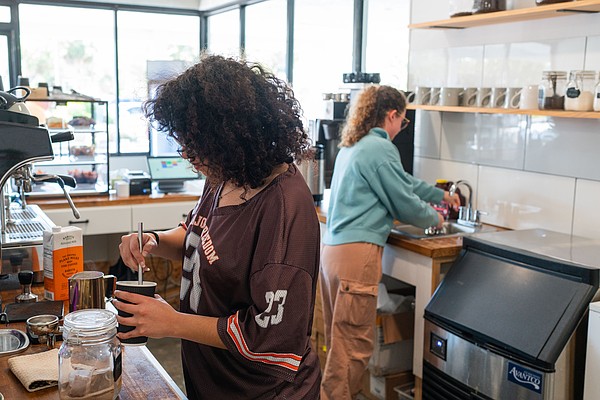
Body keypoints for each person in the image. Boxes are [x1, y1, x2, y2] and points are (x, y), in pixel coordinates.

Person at [113, 54, 321, 399]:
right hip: (213, 381)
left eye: (195, 145)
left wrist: (172, 322)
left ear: (231, 135)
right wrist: (153, 239)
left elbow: (269, 337)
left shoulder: (284, 210)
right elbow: (197, 238)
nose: (187, 155)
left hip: (262, 391)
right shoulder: (226, 174)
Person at [319, 85, 460, 399]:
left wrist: (440, 196)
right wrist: (435, 218)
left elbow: (404, 182)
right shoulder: (380, 148)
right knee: (354, 349)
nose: (401, 127)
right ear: (392, 115)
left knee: (339, 347)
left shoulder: (354, 145)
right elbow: (404, 204)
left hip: (331, 256)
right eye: (403, 120)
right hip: (358, 257)